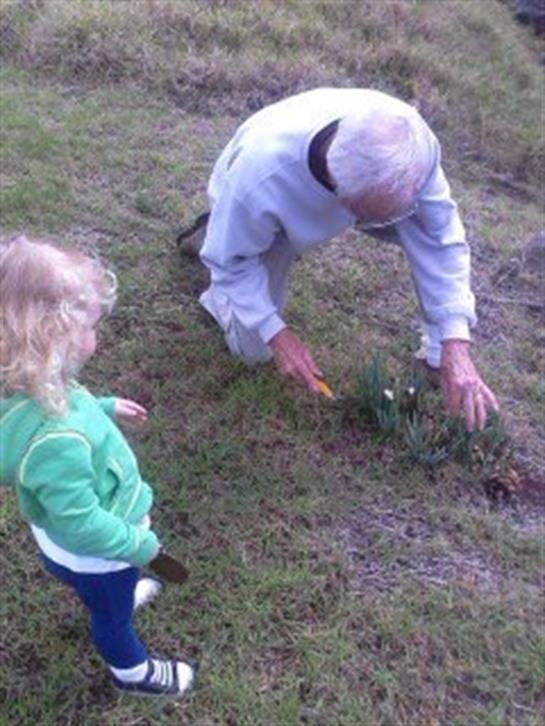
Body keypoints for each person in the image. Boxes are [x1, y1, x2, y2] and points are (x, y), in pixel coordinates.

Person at [179, 87, 498, 431]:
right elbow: (232, 265)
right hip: (257, 207)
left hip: (363, 192)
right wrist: (276, 333)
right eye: (370, 212)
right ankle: (220, 232)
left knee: (424, 228)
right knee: (252, 349)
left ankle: (439, 360)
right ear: (338, 190)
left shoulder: (410, 142)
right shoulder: (259, 181)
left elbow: (440, 240)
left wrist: (455, 342)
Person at [0, 235, 196, 697]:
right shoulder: (57, 442)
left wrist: (103, 407)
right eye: (88, 328)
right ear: (52, 338)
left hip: (77, 550)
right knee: (110, 618)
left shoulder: (26, 382)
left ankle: (117, 595)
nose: (96, 337)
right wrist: (137, 545)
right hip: (97, 555)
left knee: (109, 597)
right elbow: (80, 524)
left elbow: (61, 406)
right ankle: (131, 672)